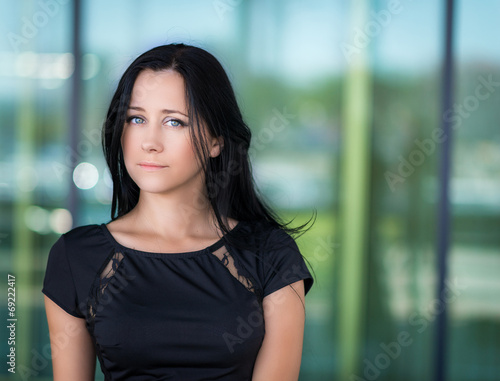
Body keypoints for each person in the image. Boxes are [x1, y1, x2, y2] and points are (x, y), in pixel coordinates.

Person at [42, 43, 314, 381]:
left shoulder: (271, 255)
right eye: (137, 118)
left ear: (217, 141)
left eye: (174, 122)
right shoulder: (75, 257)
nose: (150, 141)